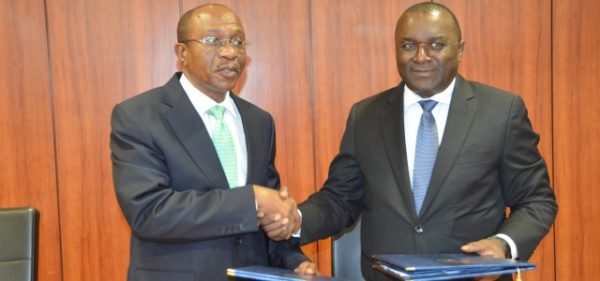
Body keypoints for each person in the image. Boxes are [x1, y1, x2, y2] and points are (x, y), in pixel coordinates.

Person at [264, 2, 558, 280]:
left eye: (436, 45)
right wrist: (296, 219)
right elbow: (341, 199)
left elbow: (536, 200)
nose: (421, 56)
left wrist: (504, 244)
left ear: (460, 50)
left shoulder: (501, 112)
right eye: (408, 46)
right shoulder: (365, 116)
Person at [110, 4, 315, 280]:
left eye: (237, 42)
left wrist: (292, 259)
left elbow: (267, 219)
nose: (230, 52)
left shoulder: (259, 121)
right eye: (212, 41)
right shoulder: (139, 116)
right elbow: (149, 212)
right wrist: (252, 200)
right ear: (182, 53)